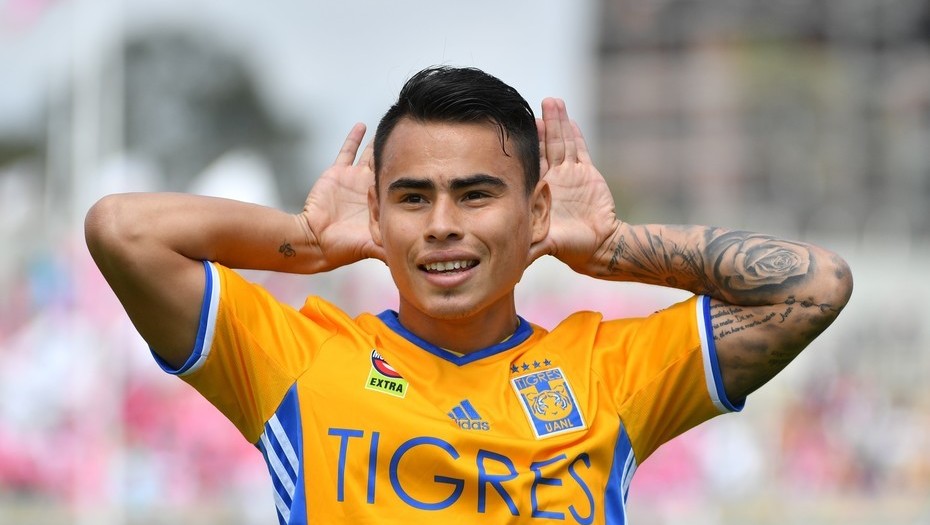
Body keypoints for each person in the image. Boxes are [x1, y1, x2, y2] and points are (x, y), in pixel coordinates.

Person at [84, 66, 853, 524]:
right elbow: (123, 230)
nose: (442, 224)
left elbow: (817, 286)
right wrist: (303, 239)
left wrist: (615, 248)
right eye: (412, 197)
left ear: (537, 212)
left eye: (476, 193)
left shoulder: (609, 370)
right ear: (378, 217)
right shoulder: (298, 359)